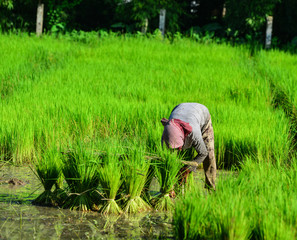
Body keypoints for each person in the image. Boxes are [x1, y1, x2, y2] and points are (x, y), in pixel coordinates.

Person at [161, 102, 216, 190]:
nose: (179, 149)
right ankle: (173, 186)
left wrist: (188, 169)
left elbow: (203, 153)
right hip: (180, 108)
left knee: (209, 153)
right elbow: (166, 159)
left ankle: (211, 187)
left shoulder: (194, 133)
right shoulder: (166, 134)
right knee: (170, 158)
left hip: (201, 113)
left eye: (179, 147)